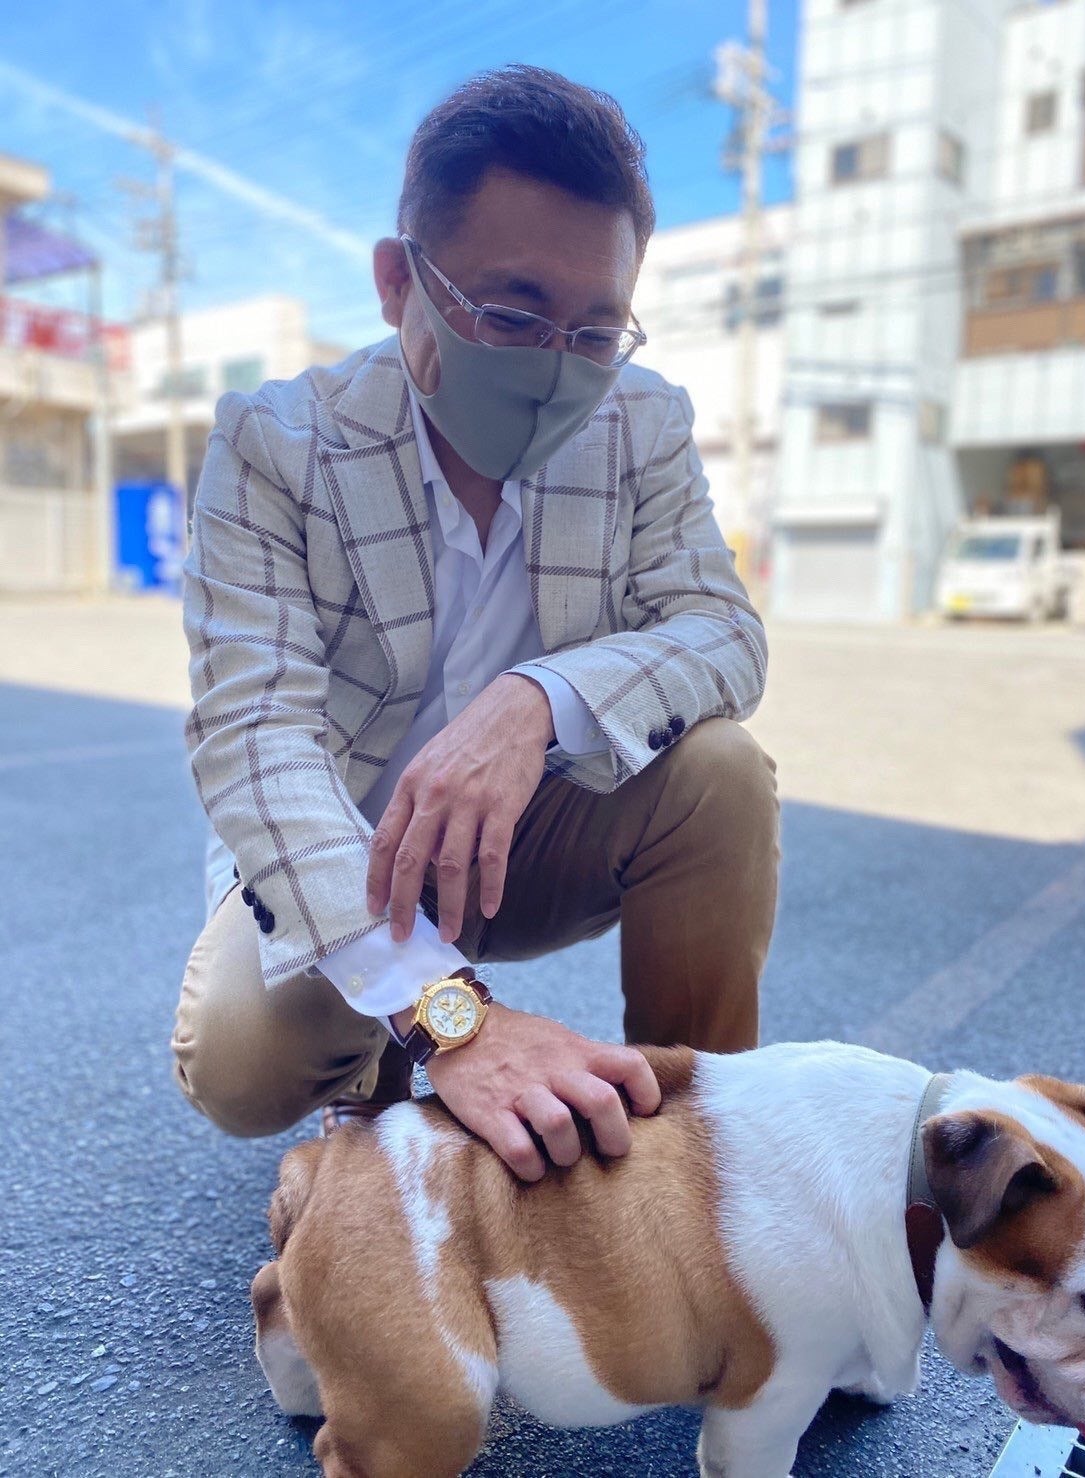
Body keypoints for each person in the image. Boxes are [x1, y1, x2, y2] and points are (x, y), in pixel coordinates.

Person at [172, 64, 778, 1184]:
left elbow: (723, 632)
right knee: (242, 1063)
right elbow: (253, 736)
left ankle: (693, 1160)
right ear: (396, 281)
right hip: (347, 848)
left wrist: (536, 700)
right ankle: (390, 1061)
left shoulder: (641, 425)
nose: (553, 367)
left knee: (722, 773)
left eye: (594, 332)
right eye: (510, 314)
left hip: (528, 838)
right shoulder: (274, 446)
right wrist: (452, 1019)